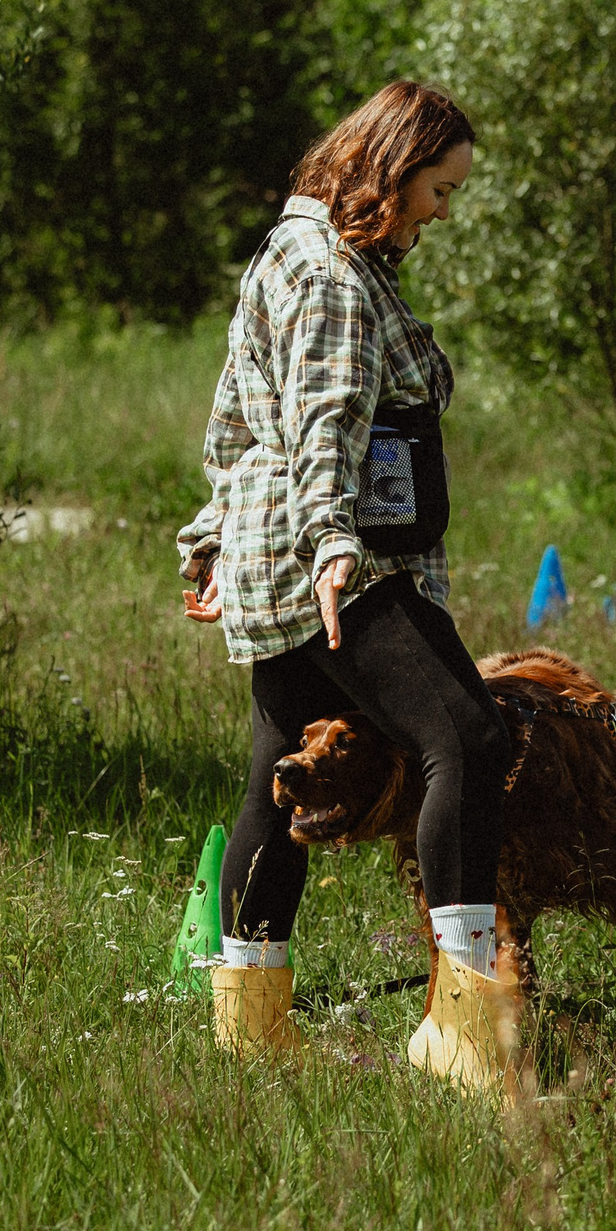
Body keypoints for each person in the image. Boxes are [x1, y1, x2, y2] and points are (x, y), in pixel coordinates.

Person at [176, 80, 527, 1094]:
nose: (441, 210)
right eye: (437, 187)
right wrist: (332, 540)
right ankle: (461, 1028)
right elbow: (325, 421)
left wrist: (213, 537)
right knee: (466, 734)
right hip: (345, 558)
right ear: (392, 165)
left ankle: (251, 1025)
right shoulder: (332, 276)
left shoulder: (292, 251)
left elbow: (241, 418)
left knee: (274, 773)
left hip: (275, 551)